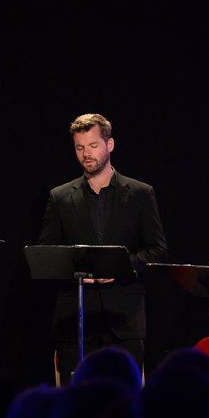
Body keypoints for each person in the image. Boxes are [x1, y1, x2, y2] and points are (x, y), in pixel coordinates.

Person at [39, 113, 168, 385]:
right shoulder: (60, 196)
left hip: (124, 319)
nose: (86, 154)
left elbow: (157, 250)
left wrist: (119, 268)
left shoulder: (140, 193)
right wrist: (78, 271)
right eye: (79, 147)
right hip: (75, 318)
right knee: (75, 402)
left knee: (126, 401)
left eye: (93, 146)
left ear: (110, 145)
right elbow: (47, 253)